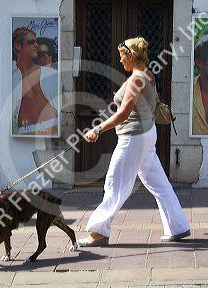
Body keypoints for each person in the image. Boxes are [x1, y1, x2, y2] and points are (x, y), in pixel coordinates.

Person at [77, 37, 190, 247]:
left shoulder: (136, 79)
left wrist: (98, 129)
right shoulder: (148, 75)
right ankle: (178, 226)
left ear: (130, 55)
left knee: (115, 183)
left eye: (121, 56)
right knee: (159, 183)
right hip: (147, 135)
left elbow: (123, 113)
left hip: (133, 138)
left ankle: (98, 233)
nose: (120, 61)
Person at [12, 27, 58, 136]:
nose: (36, 45)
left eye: (36, 41)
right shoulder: (9, 75)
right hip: (24, 130)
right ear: (18, 46)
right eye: (32, 42)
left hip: (52, 127)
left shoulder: (50, 73)